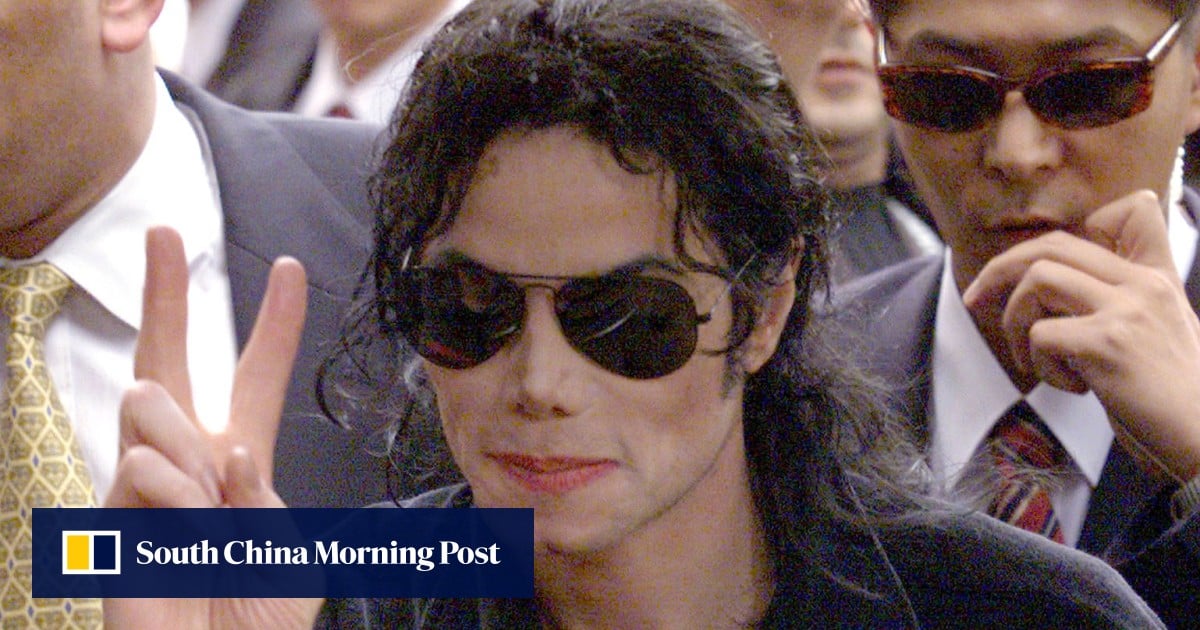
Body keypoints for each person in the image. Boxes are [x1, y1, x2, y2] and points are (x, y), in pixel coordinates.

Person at [105, 0, 1163, 627]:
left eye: (627, 320)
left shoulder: (1014, 609)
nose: (540, 384)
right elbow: (84, 557)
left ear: (764, 308)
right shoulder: (370, 582)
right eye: (470, 311)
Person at [837, 0, 1200, 625]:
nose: (1017, 153)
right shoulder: (792, 380)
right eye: (947, 91)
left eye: (1087, 88)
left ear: (1194, 77)